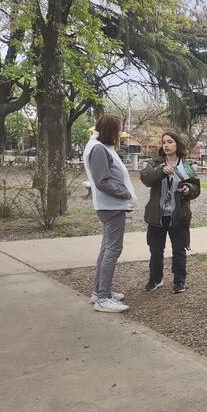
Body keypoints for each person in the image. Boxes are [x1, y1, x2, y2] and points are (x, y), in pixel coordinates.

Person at [82, 114, 137, 312]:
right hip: (111, 206)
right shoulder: (98, 149)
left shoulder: (99, 146)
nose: (119, 135)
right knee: (112, 250)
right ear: (110, 131)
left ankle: (99, 292)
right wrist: (126, 194)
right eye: (117, 130)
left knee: (107, 249)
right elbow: (102, 181)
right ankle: (103, 298)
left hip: (111, 206)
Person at [140, 132, 201, 294]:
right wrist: (161, 171)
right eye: (164, 142)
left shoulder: (185, 165)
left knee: (179, 250)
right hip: (157, 216)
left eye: (170, 142)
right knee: (156, 250)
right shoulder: (156, 162)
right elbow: (145, 178)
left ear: (177, 145)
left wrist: (189, 189)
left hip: (178, 216)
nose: (166, 145)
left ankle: (179, 281)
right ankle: (155, 280)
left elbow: (196, 187)